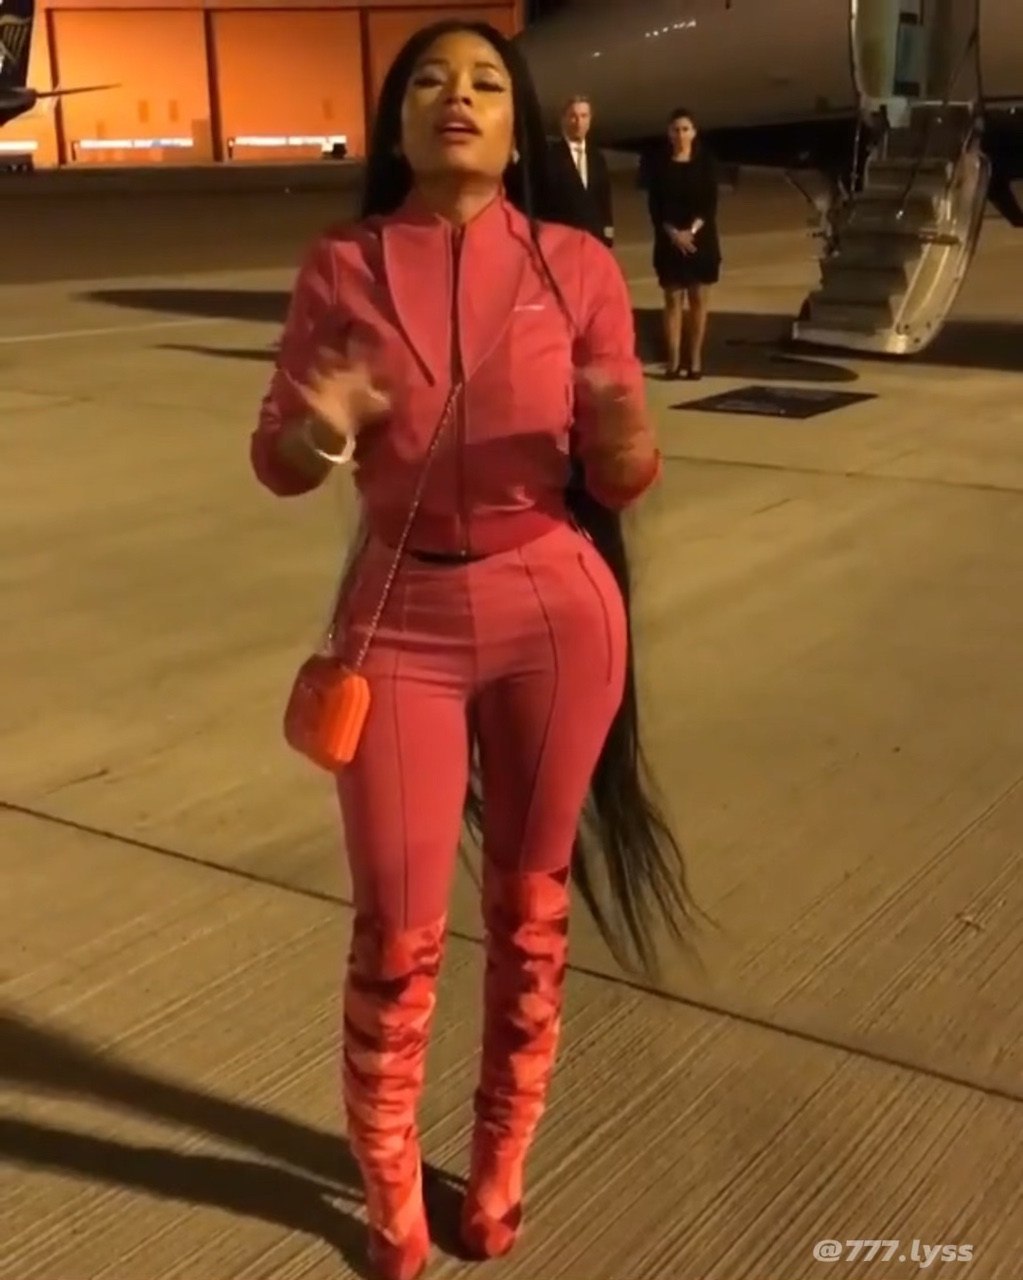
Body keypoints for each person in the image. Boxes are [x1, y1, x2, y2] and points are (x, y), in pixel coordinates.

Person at [250, 18, 693, 1280]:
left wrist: (623, 443)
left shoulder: (574, 265)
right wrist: (321, 432)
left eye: (487, 83)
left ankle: (502, 1156)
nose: (459, 97)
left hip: (555, 611)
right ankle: (389, 1177)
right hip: (401, 623)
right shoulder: (342, 265)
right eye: (431, 82)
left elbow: (622, 468)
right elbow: (276, 458)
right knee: (396, 931)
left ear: (518, 126)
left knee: (530, 911)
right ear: (398, 123)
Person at [646, 107, 722, 379]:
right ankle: (674, 360)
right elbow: (655, 207)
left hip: (701, 239)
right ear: (669, 134)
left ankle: (695, 360)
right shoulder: (660, 166)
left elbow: (709, 205)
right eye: (676, 130)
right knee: (672, 300)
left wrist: (690, 231)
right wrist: (674, 234)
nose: (680, 135)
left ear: (694, 132)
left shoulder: (706, 164)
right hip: (669, 240)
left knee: (698, 300)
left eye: (685, 129)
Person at [547, 94, 614, 245]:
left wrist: (608, 236)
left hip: (594, 239)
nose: (579, 122)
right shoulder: (551, 157)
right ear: (563, 119)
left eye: (584, 116)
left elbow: (604, 201)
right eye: (573, 116)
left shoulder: (597, 158)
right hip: (564, 240)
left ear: (590, 120)